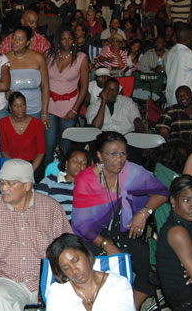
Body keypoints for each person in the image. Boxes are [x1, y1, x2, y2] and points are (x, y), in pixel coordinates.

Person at [72, 131, 168, 309]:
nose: (119, 159)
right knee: (96, 272)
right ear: (100, 155)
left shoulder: (131, 171)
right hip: (92, 236)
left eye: (123, 153)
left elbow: (162, 192)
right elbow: (81, 224)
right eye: (112, 154)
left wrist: (144, 213)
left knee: (147, 264)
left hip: (123, 231)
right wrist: (107, 245)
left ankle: (132, 305)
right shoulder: (86, 180)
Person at [0, 159, 72, 311]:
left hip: (46, 280)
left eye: (10, 183)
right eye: (1, 182)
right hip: (6, 280)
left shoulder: (51, 209)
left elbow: (69, 248)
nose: (3, 187)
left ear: (27, 185)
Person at [156, 175, 192, 310]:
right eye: (186, 200)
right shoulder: (178, 232)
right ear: (173, 200)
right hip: (187, 299)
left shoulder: (186, 224)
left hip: (189, 294)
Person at [45, 233, 135, 311]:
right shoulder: (57, 293)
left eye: (76, 260)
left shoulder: (118, 284)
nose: (74, 270)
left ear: (87, 254)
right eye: (66, 268)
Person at [44, 28, 89, 164]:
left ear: (74, 41)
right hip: (50, 104)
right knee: (49, 143)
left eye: (70, 39)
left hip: (70, 106)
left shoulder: (81, 58)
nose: (67, 42)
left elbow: (84, 86)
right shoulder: (48, 55)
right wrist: (44, 110)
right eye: (64, 38)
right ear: (58, 40)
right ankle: (46, 174)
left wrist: (75, 109)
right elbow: (43, 82)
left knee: (66, 144)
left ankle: (64, 173)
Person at [6, 26, 50, 124]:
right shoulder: (5, 59)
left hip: (35, 110)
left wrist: (44, 113)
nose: (15, 41)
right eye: (14, 38)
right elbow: (4, 86)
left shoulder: (38, 59)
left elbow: (45, 87)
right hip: (14, 111)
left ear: (28, 42)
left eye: (20, 39)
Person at [35, 148, 89, 221]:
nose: (79, 165)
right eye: (75, 161)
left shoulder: (88, 186)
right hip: (52, 223)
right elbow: (36, 203)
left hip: (77, 226)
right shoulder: (51, 181)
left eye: (83, 163)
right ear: (66, 163)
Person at [0, 92, 46, 171]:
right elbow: (4, 151)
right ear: (10, 108)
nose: (20, 108)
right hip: (12, 164)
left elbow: (41, 152)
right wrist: (15, 169)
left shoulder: (37, 124)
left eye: (22, 105)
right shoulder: (3, 123)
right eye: (16, 106)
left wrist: (29, 171)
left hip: (33, 165)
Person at [165, 26, 192, 106]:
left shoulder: (171, 51)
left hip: (172, 94)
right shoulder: (187, 53)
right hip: (185, 96)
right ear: (188, 39)